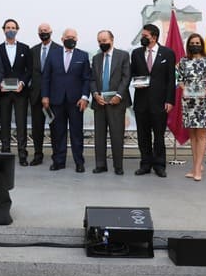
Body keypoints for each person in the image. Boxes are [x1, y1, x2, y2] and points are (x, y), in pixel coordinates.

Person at [41, 28, 90, 173]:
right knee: (58, 132)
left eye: (74, 37)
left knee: (76, 133)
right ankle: (58, 161)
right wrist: (45, 96)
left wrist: (84, 97)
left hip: (76, 102)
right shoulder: (52, 55)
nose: (71, 39)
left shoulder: (83, 55)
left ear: (77, 39)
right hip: (56, 100)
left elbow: (87, 78)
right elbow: (46, 77)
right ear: (62, 39)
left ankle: (79, 162)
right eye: (68, 37)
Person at [130, 24, 176, 177]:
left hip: (160, 102)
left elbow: (171, 79)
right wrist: (136, 82)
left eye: (145, 36)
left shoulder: (167, 53)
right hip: (141, 101)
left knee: (159, 135)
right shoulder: (136, 53)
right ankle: (145, 164)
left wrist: (170, 100)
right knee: (143, 136)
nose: (143, 38)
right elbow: (133, 74)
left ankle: (159, 165)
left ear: (154, 37)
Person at [176, 33, 206, 181]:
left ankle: (199, 168)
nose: (195, 45)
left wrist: (205, 90)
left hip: (203, 101)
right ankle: (195, 167)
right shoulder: (183, 61)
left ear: (202, 45)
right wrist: (184, 89)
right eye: (192, 43)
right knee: (192, 135)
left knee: (201, 134)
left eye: (197, 43)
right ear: (188, 45)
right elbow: (179, 80)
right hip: (188, 102)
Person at [89, 30, 131, 176]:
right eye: (99, 41)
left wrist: (119, 95)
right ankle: (100, 165)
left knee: (117, 135)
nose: (102, 43)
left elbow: (126, 77)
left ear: (112, 39)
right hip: (99, 102)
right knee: (99, 136)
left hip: (117, 102)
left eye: (104, 40)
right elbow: (92, 79)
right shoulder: (95, 58)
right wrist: (95, 94)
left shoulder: (123, 56)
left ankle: (118, 166)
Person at [0, 19, 33, 165]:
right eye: (8, 27)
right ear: (3, 29)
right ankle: (5, 152)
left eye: (13, 27)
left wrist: (22, 83)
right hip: (3, 92)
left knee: (21, 123)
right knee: (4, 123)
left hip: (20, 92)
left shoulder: (25, 48)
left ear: (17, 30)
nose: (10, 29)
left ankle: (22, 154)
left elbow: (29, 70)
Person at [29, 23, 59, 166]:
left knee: (54, 127)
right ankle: (38, 155)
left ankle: (56, 156)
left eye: (45, 30)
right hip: (36, 96)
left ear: (51, 32)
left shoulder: (59, 49)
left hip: (53, 96)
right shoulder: (33, 50)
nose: (43, 32)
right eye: (40, 31)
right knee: (37, 128)